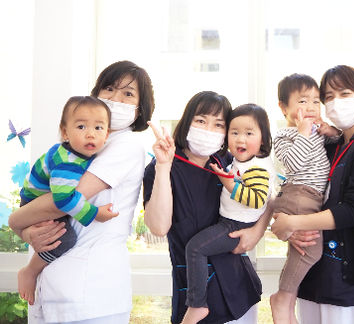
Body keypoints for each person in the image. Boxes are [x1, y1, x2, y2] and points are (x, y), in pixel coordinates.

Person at [9, 60, 155, 323]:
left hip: (91, 294)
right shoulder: (84, 144)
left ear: (140, 109)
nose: (115, 98)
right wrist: (27, 231)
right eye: (109, 88)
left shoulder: (127, 145)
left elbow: (61, 201)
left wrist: (15, 222)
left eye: (128, 94)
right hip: (54, 288)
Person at [270, 65, 354, 323]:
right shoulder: (328, 144)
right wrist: (290, 227)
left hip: (349, 278)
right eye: (329, 97)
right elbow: (300, 187)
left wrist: (294, 223)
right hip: (312, 275)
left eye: (344, 93)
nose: (335, 102)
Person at [143, 92, 272, 324]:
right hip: (195, 295)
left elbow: (267, 195)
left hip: (238, 286)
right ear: (186, 122)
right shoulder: (163, 167)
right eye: (201, 121)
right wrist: (163, 166)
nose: (209, 130)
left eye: (219, 124)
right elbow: (159, 227)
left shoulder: (227, 162)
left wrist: (257, 231)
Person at [181, 103, 275, 324]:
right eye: (234, 133)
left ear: (263, 138)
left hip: (235, 226)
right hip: (230, 221)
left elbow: (257, 199)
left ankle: (196, 304)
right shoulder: (240, 160)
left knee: (195, 248)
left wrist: (228, 183)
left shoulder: (258, 167)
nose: (240, 139)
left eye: (249, 133)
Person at [17, 96, 113, 306]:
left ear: (107, 134)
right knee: (65, 239)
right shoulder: (66, 161)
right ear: (65, 133)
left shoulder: (81, 154)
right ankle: (30, 272)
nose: (90, 133)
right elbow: (62, 199)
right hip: (34, 205)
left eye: (98, 128)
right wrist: (95, 213)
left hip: (39, 200)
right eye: (81, 126)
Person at [269, 73, 340, 324]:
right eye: (302, 101)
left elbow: (341, 141)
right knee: (310, 252)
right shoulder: (284, 135)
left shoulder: (316, 132)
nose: (310, 107)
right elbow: (294, 163)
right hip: (298, 195)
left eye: (315, 101)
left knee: (301, 253)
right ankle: (283, 298)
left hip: (312, 198)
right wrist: (303, 133)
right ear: (283, 107)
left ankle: (287, 306)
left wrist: (329, 130)